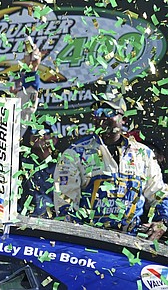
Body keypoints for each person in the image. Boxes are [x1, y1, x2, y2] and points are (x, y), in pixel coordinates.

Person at [53, 95, 168, 239]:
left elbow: (160, 194)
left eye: (108, 112)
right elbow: (65, 205)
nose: (101, 117)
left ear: (123, 119)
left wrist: (161, 222)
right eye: (97, 112)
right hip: (91, 242)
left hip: (132, 241)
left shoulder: (143, 154)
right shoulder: (75, 153)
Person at [18, 129, 56, 218]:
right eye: (35, 132)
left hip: (51, 226)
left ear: (54, 140)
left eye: (46, 133)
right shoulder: (20, 163)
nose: (40, 136)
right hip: (22, 223)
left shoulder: (60, 168)